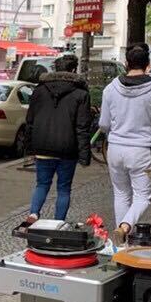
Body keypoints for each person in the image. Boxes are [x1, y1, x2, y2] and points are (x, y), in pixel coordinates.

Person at [99, 42, 151, 244]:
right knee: (143, 196)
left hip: (115, 149)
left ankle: (122, 244)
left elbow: (104, 124)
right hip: (141, 150)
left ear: (126, 63)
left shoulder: (110, 89)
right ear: (148, 64)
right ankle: (125, 226)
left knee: (121, 194)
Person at [24, 54, 91, 222]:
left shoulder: (39, 90)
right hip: (67, 149)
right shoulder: (81, 93)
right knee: (64, 188)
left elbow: (30, 121)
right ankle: (58, 222)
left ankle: (33, 213)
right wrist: (84, 156)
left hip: (42, 146)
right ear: (74, 70)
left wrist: (29, 147)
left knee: (42, 184)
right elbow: (82, 127)